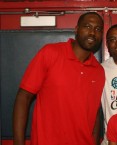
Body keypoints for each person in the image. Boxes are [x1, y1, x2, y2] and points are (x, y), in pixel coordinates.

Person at [13, 12, 105, 145]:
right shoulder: (50, 53)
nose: (92, 33)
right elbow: (23, 97)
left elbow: (95, 115)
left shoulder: (99, 71)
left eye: (98, 29)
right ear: (77, 29)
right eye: (87, 26)